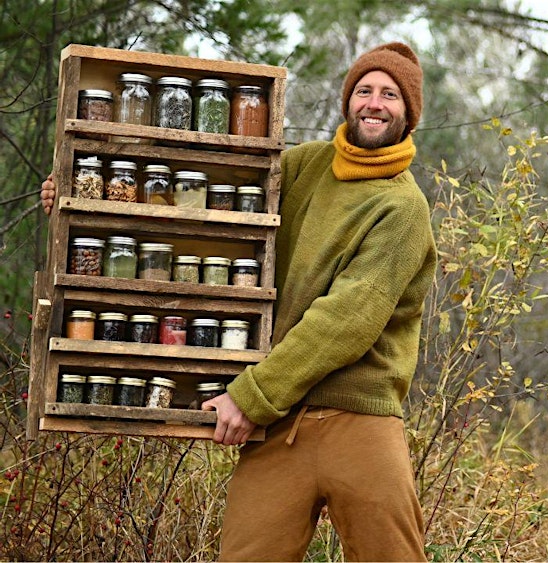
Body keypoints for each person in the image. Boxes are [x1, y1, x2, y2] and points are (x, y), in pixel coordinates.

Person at [41, 42, 436, 562]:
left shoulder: (403, 210)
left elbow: (346, 319)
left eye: (389, 95)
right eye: (364, 90)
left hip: (358, 419)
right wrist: (79, 201)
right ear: (348, 102)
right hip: (280, 422)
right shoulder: (304, 167)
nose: (374, 103)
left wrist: (249, 397)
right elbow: (206, 209)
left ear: (408, 114)